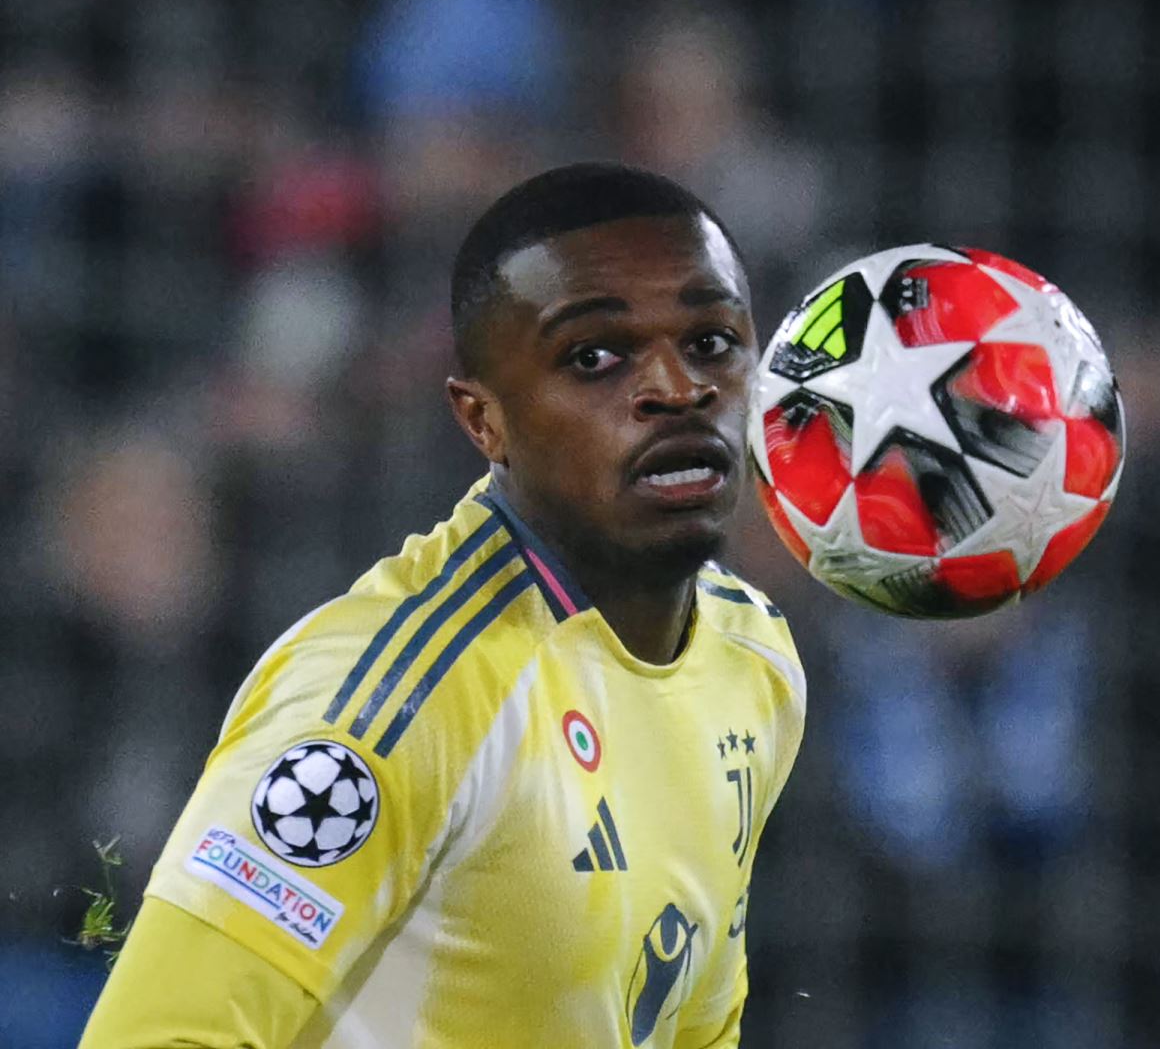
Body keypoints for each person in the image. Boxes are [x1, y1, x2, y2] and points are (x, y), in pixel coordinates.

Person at [80, 163, 807, 1048]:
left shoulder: (754, 660)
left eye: (712, 342)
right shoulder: (395, 699)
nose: (677, 388)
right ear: (483, 422)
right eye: (595, 356)